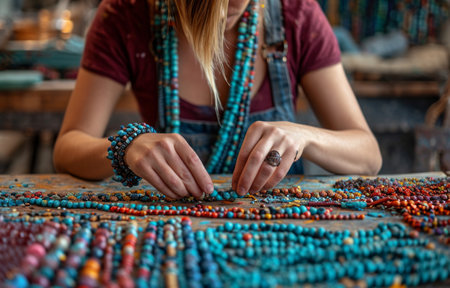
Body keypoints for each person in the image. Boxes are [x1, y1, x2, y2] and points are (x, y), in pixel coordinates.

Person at [53, 0, 382, 200]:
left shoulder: (297, 16)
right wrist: (125, 148)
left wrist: (304, 135)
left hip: (280, 235)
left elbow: (368, 154)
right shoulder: (125, 17)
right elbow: (68, 147)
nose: (230, 7)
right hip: (173, 232)